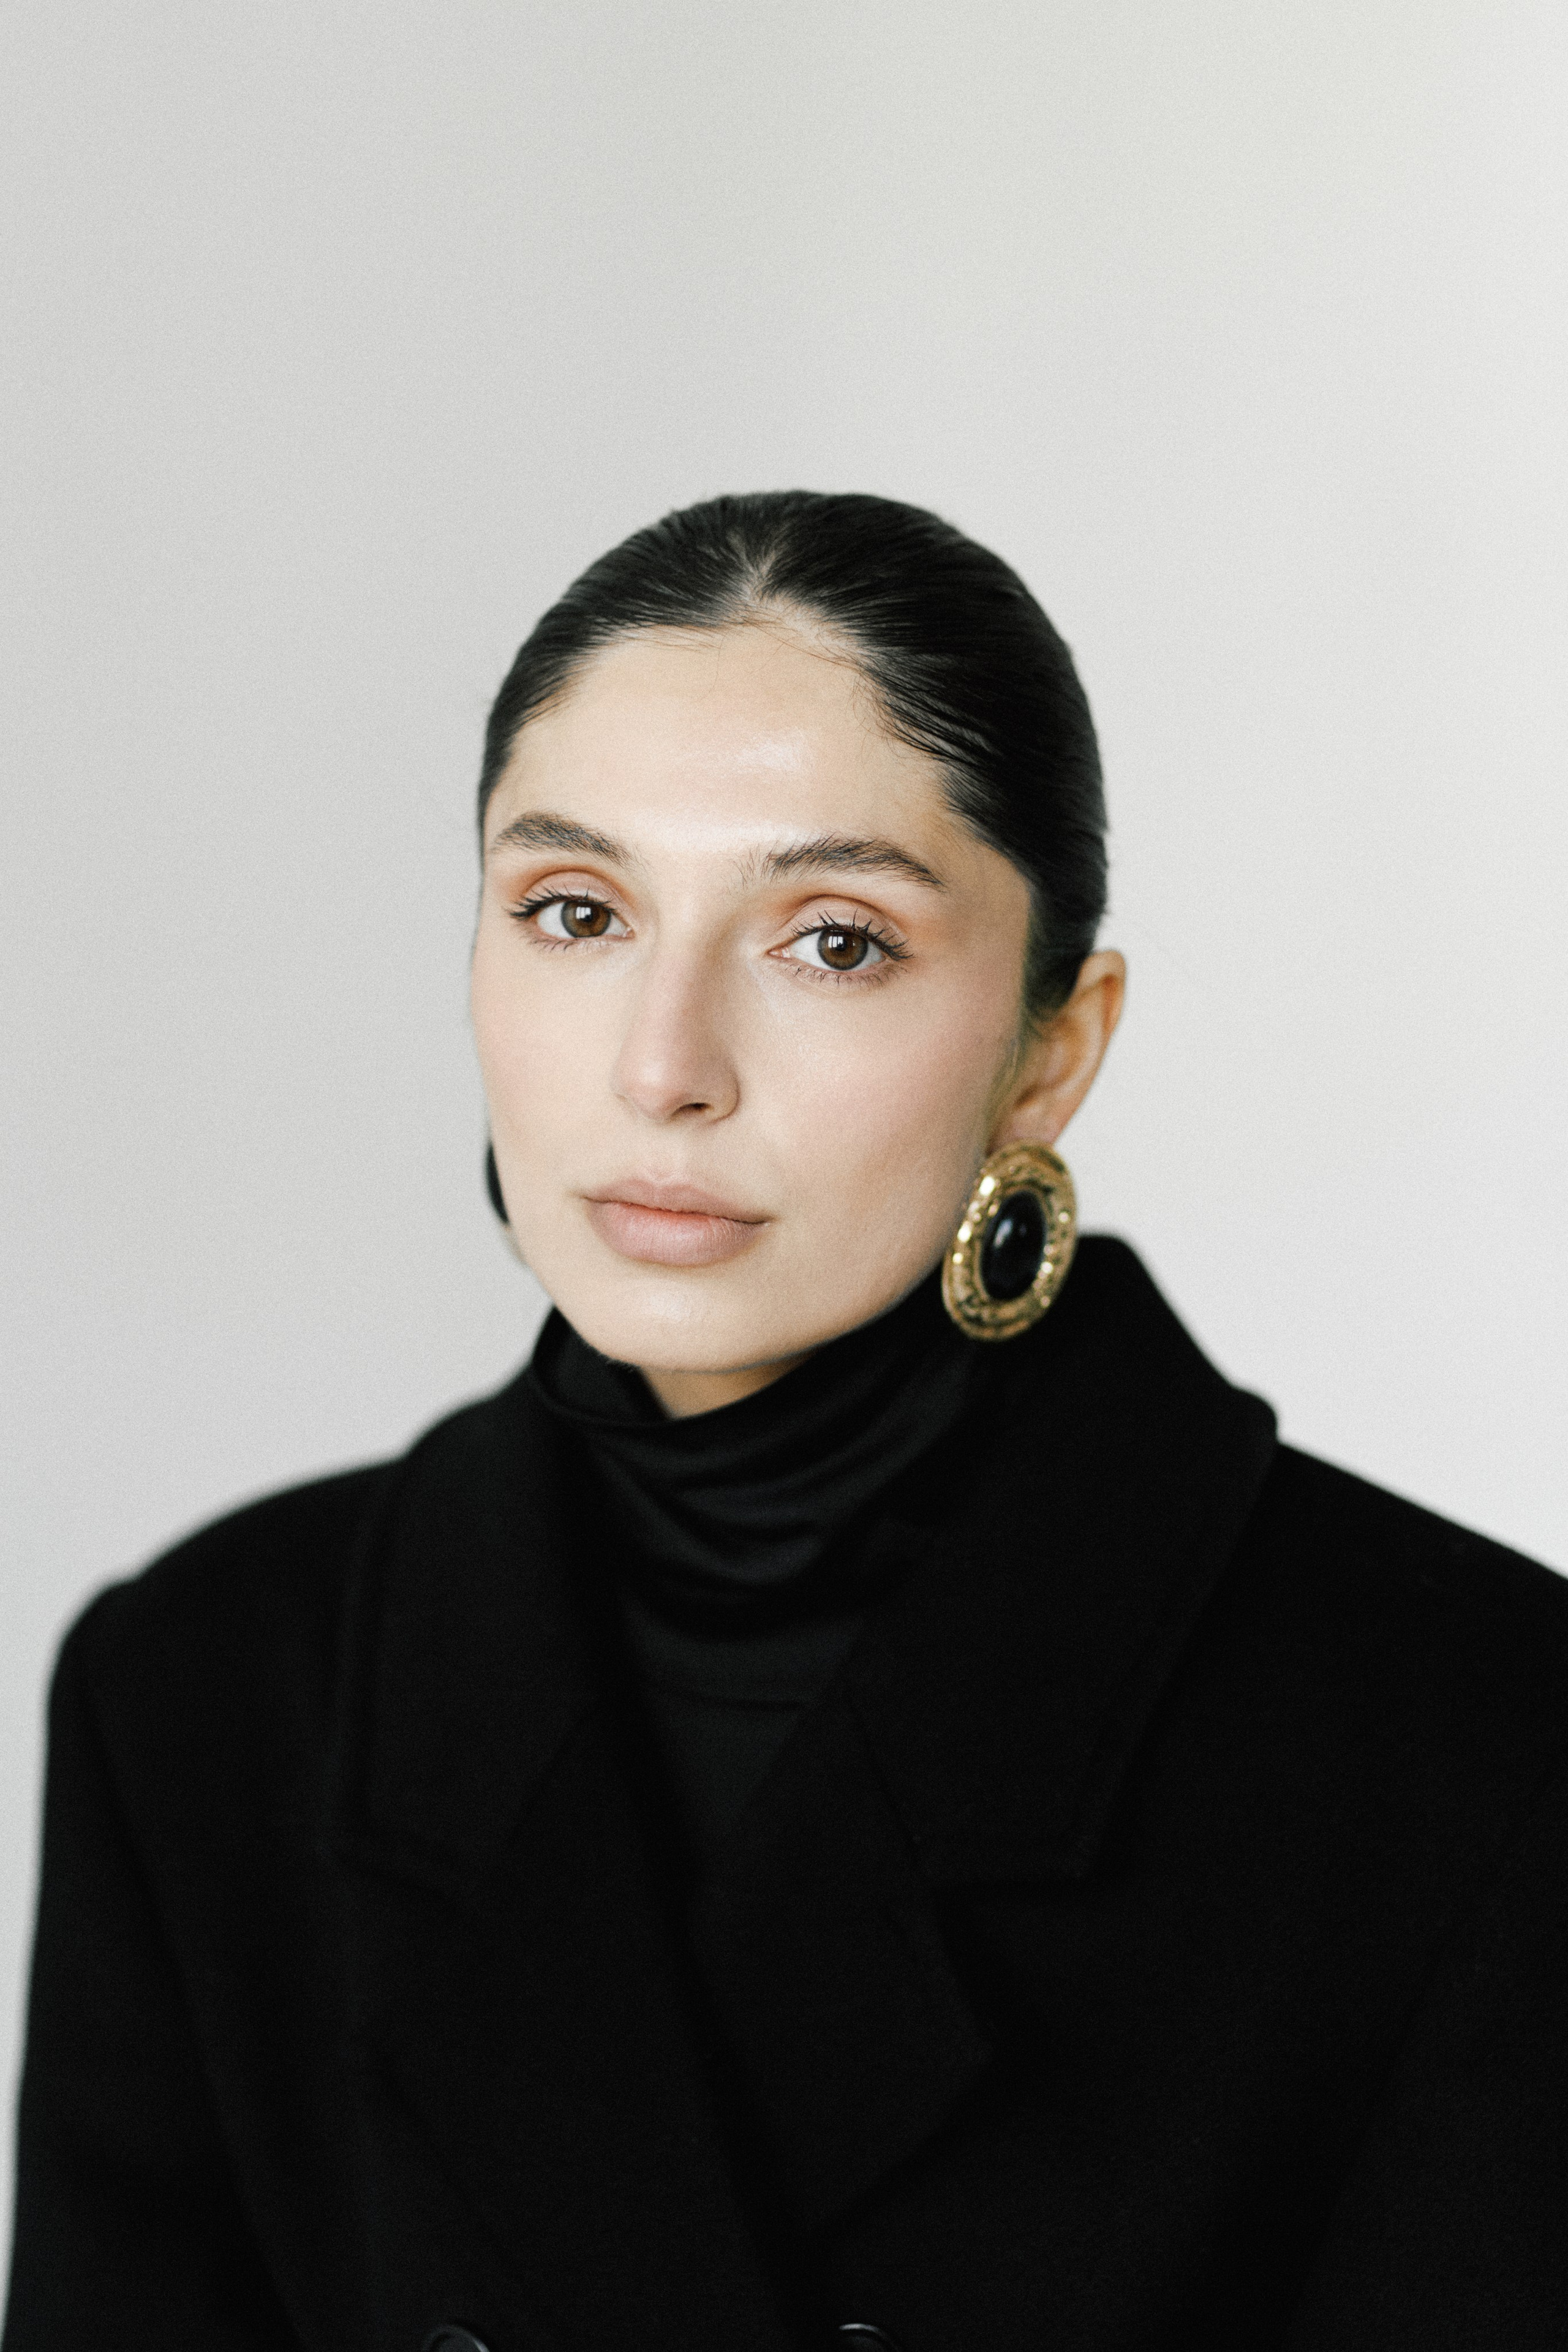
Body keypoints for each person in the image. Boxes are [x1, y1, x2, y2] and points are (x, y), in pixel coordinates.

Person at [5, 491, 1566, 2352]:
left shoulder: (1478, 1743)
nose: (661, 1067)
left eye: (831, 941)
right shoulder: (207, 1689)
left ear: (1053, 1046)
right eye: (575, 912)